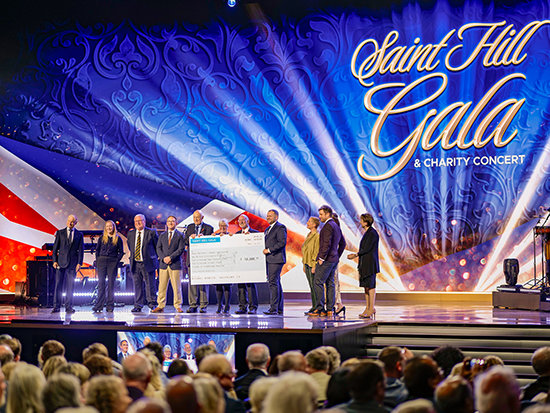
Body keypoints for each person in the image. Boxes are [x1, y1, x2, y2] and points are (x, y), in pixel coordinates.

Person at [307, 205, 345, 317]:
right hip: (333, 260)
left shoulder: (328, 226)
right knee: (330, 283)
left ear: (328, 214)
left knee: (317, 282)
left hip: (326, 260)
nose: (319, 217)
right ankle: (329, 309)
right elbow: (343, 243)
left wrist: (321, 258)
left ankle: (320, 309)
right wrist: (336, 255)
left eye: (321, 214)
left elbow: (326, 244)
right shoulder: (336, 226)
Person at [347, 213, 379, 318]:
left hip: (370, 264)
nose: (360, 222)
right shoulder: (367, 233)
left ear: (366, 222)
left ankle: (371, 308)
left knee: (371, 286)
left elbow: (367, 249)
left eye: (361, 220)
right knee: (366, 286)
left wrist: (355, 255)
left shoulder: (372, 233)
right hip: (365, 263)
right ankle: (368, 307)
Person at [52, 215, 84, 313]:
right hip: (60, 263)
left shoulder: (79, 234)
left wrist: (79, 263)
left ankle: (68, 307)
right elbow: (55, 249)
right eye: (69, 221)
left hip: (73, 264)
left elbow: (81, 250)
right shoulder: (60, 233)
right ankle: (56, 306)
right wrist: (54, 261)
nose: (70, 223)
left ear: (76, 223)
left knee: (70, 286)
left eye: (72, 221)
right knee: (58, 285)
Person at [153, 216, 185, 313]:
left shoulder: (180, 235)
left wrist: (171, 258)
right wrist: (164, 258)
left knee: (177, 287)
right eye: (169, 221)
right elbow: (158, 248)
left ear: (176, 223)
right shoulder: (162, 235)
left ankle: (178, 305)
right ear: (166, 223)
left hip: (175, 264)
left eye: (173, 221)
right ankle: (160, 305)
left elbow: (181, 249)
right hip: (163, 265)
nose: (170, 223)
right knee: (161, 287)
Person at [127, 214, 159, 313]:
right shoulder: (131, 234)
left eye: (140, 220)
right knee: (137, 285)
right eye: (136, 221)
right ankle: (138, 305)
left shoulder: (151, 232)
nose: (138, 223)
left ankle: (152, 304)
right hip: (135, 263)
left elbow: (157, 246)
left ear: (144, 221)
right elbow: (130, 247)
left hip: (148, 263)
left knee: (150, 285)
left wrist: (154, 258)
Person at [185, 210, 214, 313]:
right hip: (192, 259)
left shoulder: (209, 228)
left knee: (203, 283)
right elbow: (185, 241)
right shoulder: (190, 227)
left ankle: (203, 305)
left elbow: (211, 242)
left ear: (202, 218)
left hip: (203, 260)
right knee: (192, 284)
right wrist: (190, 238)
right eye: (194, 217)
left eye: (198, 217)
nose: (196, 219)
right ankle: (193, 305)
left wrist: (204, 238)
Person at [93, 220, 124, 313]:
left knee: (111, 284)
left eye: (110, 226)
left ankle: (110, 306)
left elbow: (121, 252)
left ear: (113, 227)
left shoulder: (118, 239)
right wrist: (98, 260)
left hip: (112, 262)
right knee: (101, 284)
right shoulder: (102, 238)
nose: (109, 228)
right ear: (105, 228)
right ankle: (99, 306)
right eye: (107, 226)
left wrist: (116, 260)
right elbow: (97, 250)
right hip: (102, 262)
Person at [263, 209, 287, 315]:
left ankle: (273, 309)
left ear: (276, 217)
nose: (268, 217)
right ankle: (279, 308)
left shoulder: (280, 227)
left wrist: (269, 250)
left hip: (276, 259)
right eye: (267, 215)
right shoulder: (267, 229)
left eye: (270, 216)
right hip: (270, 259)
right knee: (276, 282)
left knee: (273, 282)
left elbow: (282, 242)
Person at [234, 214, 259, 315]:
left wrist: (251, 239)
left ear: (248, 221)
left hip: (251, 264)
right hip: (240, 264)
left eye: (243, 220)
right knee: (240, 286)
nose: (241, 222)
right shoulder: (236, 235)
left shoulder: (255, 234)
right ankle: (242, 307)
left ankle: (253, 307)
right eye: (239, 220)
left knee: (250, 285)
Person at [301, 217, 320, 315]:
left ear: (314, 224)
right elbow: (305, 250)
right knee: (311, 286)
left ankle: (317, 306)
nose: (307, 223)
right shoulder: (309, 235)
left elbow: (316, 251)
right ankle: (314, 306)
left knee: (314, 286)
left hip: (312, 263)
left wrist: (314, 265)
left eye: (309, 222)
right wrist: (304, 263)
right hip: (307, 263)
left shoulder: (317, 236)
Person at [214, 219, 232, 314]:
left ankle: (227, 306)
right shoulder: (215, 236)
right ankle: (219, 306)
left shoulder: (231, 236)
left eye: (224, 226)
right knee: (219, 286)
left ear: (227, 227)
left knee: (227, 286)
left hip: (228, 264)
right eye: (221, 226)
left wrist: (229, 238)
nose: (223, 228)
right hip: (218, 264)